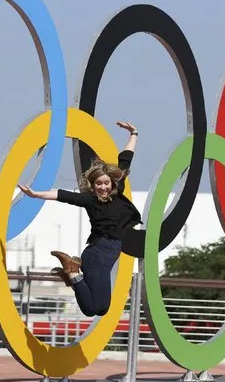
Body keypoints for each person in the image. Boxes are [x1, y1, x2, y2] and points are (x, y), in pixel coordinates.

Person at [17, 121, 142, 317]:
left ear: (112, 182)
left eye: (106, 183)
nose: (103, 187)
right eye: (98, 184)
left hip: (107, 257)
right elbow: (63, 195)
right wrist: (36, 194)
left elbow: (125, 160)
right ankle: (73, 273)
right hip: (97, 256)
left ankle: (72, 273)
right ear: (92, 186)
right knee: (97, 309)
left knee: (96, 308)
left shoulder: (119, 191)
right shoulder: (91, 200)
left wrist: (133, 134)